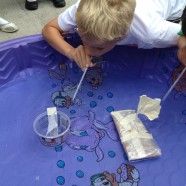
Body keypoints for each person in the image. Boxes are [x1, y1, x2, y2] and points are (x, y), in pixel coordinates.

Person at [42, 0, 186, 69]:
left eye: (99, 48)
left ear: (123, 36)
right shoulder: (83, 10)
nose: (88, 51)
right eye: (83, 40)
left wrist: (182, 47)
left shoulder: (150, 32)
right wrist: (71, 52)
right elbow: (49, 28)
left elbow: (181, 36)